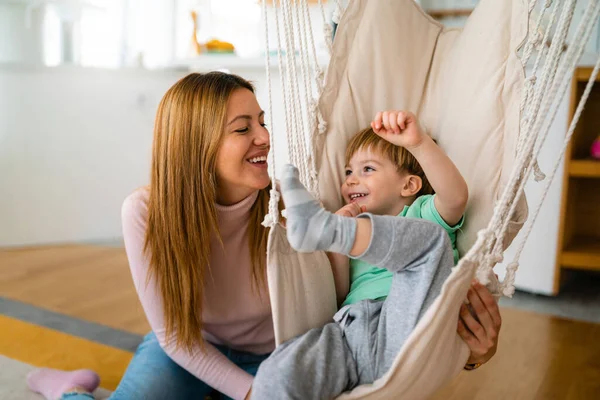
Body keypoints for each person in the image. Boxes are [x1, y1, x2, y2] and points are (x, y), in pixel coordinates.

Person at [26, 73, 501, 400]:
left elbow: (345, 309)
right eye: (243, 128)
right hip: (194, 348)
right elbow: (174, 335)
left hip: (274, 353)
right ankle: (65, 388)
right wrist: (247, 392)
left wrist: (464, 350)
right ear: (197, 144)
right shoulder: (146, 212)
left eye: (262, 121)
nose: (265, 137)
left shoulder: (288, 205)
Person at [250, 111, 500, 399]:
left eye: (367, 169)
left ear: (409, 185)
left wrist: (418, 144)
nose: (351, 181)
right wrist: (340, 246)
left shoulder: (421, 213)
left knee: (432, 243)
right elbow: (339, 292)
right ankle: (324, 230)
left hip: (412, 330)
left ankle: (323, 228)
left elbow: (456, 197)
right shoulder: (357, 231)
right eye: (348, 172)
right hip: (349, 332)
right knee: (276, 374)